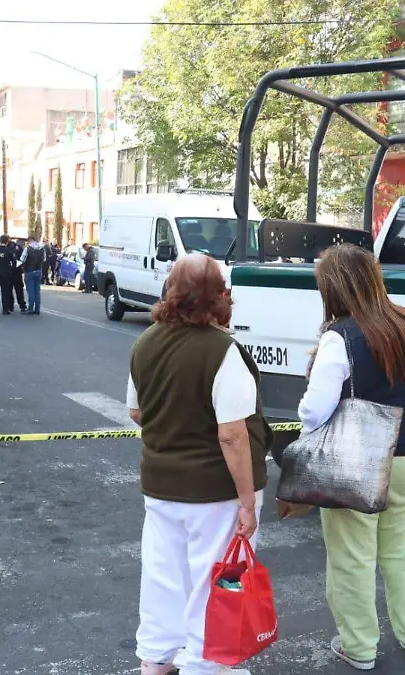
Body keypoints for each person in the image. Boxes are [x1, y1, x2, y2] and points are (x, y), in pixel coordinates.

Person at [293, 243, 405, 669]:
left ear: (333, 290)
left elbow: (314, 408)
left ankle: (358, 648)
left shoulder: (338, 338)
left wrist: (311, 449)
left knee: (352, 559)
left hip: (355, 462)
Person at [127, 254, 273, 675]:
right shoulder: (223, 351)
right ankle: (206, 665)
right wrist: (247, 501)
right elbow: (232, 434)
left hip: (160, 484)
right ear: (219, 296)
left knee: (162, 574)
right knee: (215, 580)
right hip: (215, 491)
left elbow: (137, 412)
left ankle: (156, 657)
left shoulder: (146, 342)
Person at [18, 236, 48, 315]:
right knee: (37, 290)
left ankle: (30, 308)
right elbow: (44, 259)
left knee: (30, 290)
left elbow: (22, 259)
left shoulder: (27, 249)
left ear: (29, 241)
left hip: (29, 271)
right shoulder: (42, 249)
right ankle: (37, 308)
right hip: (38, 271)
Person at [8, 238, 27, 312]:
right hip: (17, 271)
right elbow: (23, 259)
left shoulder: (7, 248)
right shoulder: (19, 248)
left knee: (10, 290)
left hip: (10, 271)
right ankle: (22, 305)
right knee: (19, 290)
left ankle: (10, 306)